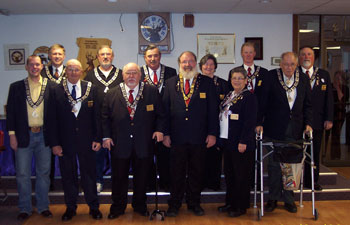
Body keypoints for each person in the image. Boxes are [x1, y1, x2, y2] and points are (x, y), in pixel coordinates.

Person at [102, 63, 165, 219]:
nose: (131, 76)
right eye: (128, 73)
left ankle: (140, 205)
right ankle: (118, 207)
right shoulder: (112, 93)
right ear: (122, 76)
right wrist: (106, 136)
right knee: (118, 178)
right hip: (119, 143)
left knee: (142, 177)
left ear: (140, 75)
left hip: (144, 143)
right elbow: (104, 118)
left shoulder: (151, 91)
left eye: (134, 73)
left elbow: (161, 115)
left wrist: (159, 130)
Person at [162, 51, 218, 217]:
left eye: (191, 61)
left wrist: (212, 133)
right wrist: (165, 133)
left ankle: (194, 203)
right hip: (176, 137)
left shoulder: (207, 83)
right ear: (179, 63)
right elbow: (165, 111)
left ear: (196, 63)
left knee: (197, 171)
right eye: (184, 62)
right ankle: (175, 204)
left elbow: (213, 111)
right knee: (176, 173)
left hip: (199, 137)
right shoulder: (170, 83)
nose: (188, 65)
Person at [257, 52, 313, 213]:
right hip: (274, 128)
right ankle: (273, 198)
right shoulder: (270, 76)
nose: (289, 67)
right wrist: (259, 123)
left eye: (292, 65)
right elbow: (262, 102)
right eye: (286, 64)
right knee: (274, 165)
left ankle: (289, 199)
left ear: (297, 65)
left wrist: (308, 123)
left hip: (295, 128)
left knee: (291, 165)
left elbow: (308, 104)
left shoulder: (302, 79)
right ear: (281, 64)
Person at [48, 59, 102, 221]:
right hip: (65, 142)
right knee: (68, 176)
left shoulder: (91, 89)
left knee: (89, 175)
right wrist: (55, 143)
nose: (73, 72)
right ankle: (70, 208)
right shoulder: (56, 90)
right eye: (70, 69)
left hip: (87, 140)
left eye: (76, 69)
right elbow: (51, 119)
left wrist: (98, 138)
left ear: (81, 71)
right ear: (65, 71)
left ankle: (94, 207)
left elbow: (97, 117)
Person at [6, 55, 55, 220]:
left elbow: (56, 115)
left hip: (44, 135)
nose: (35, 67)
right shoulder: (16, 87)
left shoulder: (51, 87)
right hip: (23, 135)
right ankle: (25, 208)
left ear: (42, 67)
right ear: (26, 67)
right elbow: (10, 113)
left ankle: (43, 207)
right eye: (31, 65)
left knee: (44, 173)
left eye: (37, 65)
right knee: (22, 174)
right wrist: (12, 135)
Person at [219, 67, 257, 217]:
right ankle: (230, 203)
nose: (237, 81)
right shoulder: (230, 95)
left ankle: (240, 206)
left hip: (241, 143)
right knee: (230, 175)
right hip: (228, 141)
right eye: (234, 78)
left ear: (246, 80)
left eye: (240, 78)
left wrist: (244, 141)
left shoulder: (249, 97)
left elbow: (249, 122)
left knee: (241, 176)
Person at [84, 45, 123, 193]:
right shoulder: (89, 76)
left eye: (108, 54)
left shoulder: (121, 74)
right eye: (102, 55)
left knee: (118, 155)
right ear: (98, 57)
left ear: (112, 56)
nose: (105, 57)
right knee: (97, 154)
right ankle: (98, 181)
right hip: (97, 122)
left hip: (117, 122)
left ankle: (118, 183)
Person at [141, 44, 177, 191]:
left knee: (165, 154)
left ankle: (166, 183)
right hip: (146, 121)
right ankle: (149, 184)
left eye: (155, 55)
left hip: (166, 119)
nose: (153, 59)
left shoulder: (171, 72)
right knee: (147, 154)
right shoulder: (139, 72)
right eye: (149, 56)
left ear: (160, 56)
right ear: (145, 58)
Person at [298, 46, 333, 190]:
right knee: (296, 152)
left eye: (309, 54)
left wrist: (329, 118)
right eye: (303, 54)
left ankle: (312, 181)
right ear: (299, 57)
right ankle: (295, 181)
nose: (306, 57)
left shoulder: (324, 74)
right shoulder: (294, 74)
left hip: (318, 121)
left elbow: (329, 99)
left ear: (314, 57)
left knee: (314, 152)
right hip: (298, 122)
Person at [199, 54, 229, 191]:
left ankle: (214, 183)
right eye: (206, 64)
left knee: (215, 156)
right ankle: (201, 183)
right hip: (200, 126)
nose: (208, 67)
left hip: (218, 126)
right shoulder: (196, 82)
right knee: (200, 156)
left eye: (211, 64)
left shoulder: (223, 84)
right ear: (201, 67)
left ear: (215, 67)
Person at [41, 44, 66, 190]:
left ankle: (67, 183)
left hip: (64, 120)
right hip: (47, 119)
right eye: (54, 54)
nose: (57, 56)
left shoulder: (70, 72)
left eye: (59, 54)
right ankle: (48, 183)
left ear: (64, 56)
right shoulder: (42, 73)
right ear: (49, 56)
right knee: (47, 155)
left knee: (66, 155)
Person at [331, 71, 349, 159]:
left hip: (340, 114)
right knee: (327, 136)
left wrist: (338, 88)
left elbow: (342, 98)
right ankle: (324, 155)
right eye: (336, 78)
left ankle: (335, 156)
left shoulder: (345, 88)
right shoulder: (330, 86)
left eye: (339, 78)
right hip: (331, 114)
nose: (337, 80)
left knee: (336, 135)